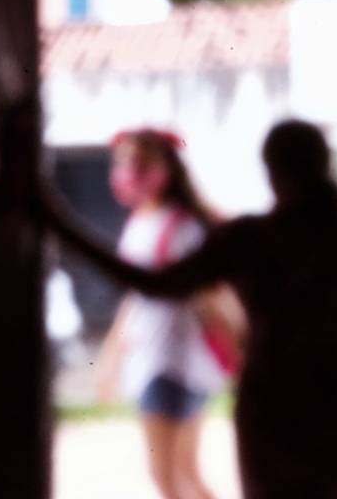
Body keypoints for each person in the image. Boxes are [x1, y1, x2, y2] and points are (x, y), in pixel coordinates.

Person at [41, 120, 337, 498]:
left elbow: (153, 283)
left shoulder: (252, 240)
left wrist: (59, 225)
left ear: (272, 173)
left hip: (276, 414)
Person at [90, 128, 238, 499]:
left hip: (174, 363)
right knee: (181, 475)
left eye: (140, 162)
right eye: (123, 162)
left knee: (168, 476)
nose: (129, 171)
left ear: (166, 167)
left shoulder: (183, 227)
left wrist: (240, 350)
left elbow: (208, 299)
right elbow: (135, 301)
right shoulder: (141, 222)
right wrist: (110, 358)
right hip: (153, 360)